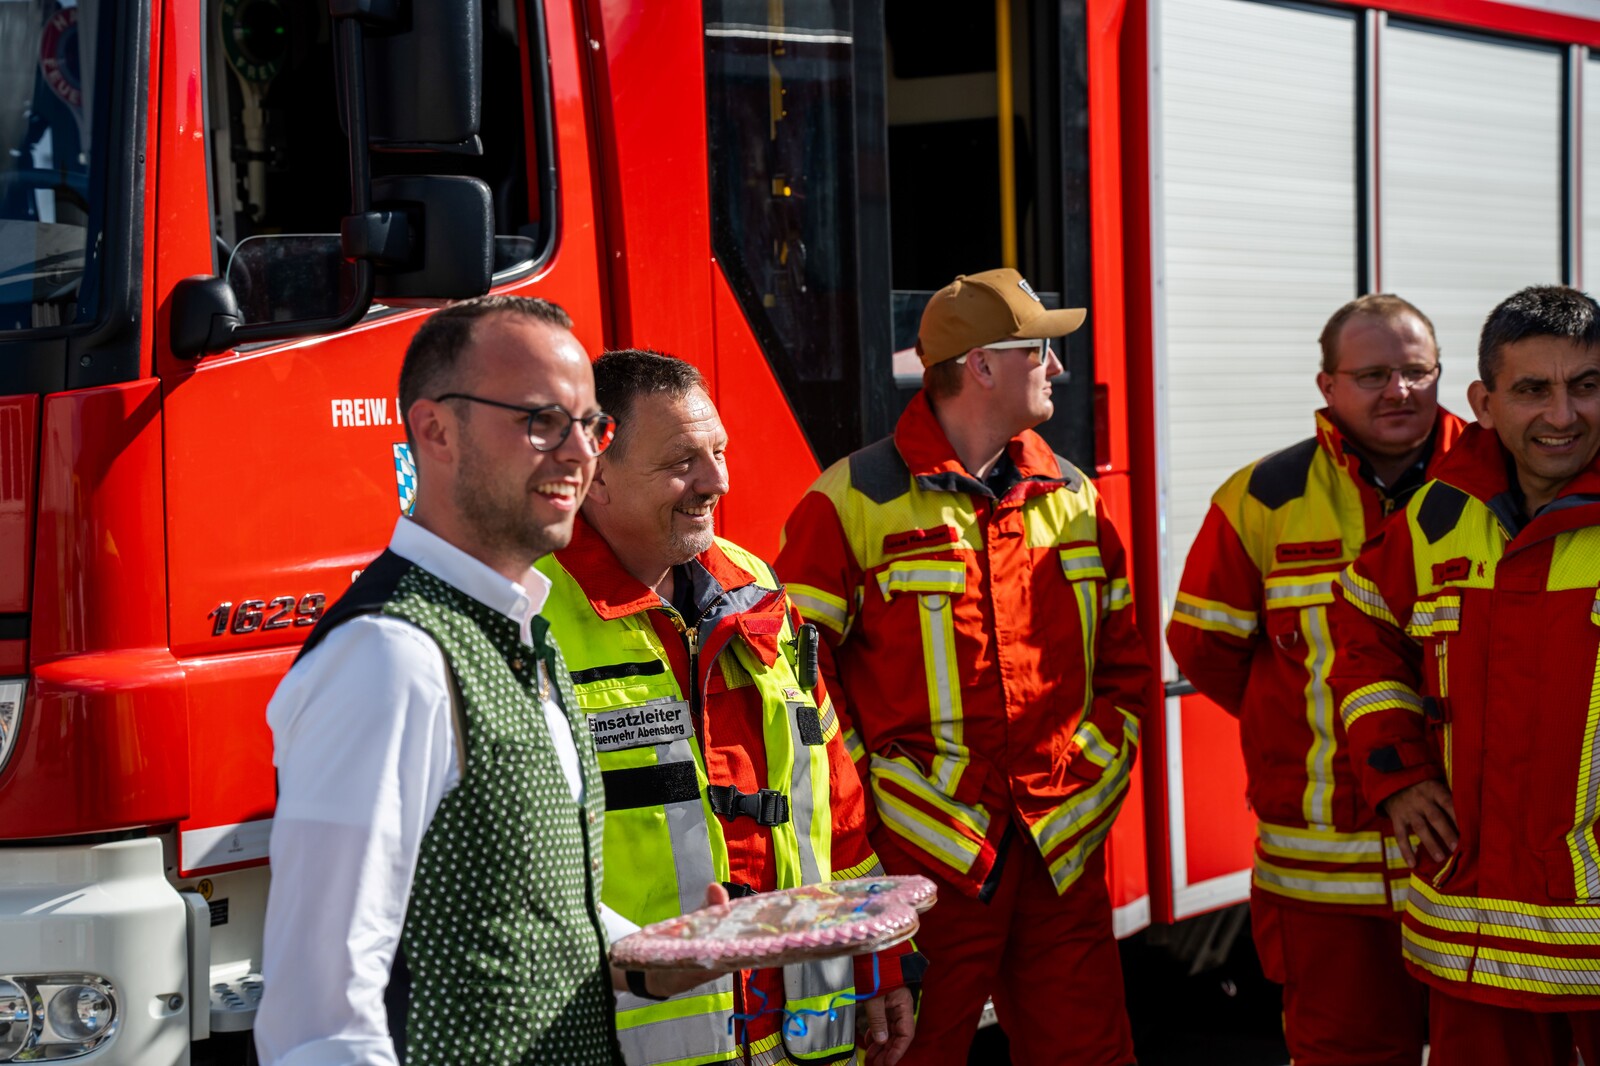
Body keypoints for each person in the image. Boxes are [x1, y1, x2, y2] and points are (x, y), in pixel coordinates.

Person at [257, 297, 714, 1066]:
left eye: (591, 425)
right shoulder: (387, 655)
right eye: (542, 421)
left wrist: (645, 957)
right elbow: (321, 1012)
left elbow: (519, 909)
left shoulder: (524, 628)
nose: (579, 453)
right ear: (436, 431)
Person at [776, 269, 1153, 1065]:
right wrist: (866, 811)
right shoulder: (850, 500)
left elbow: (1124, 661)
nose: (1058, 368)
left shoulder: (1074, 496)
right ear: (980, 365)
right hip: (924, 862)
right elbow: (798, 683)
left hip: (1060, 849)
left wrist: (1093, 773)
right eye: (1039, 350)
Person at [535, 349, 919, 1066]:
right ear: (595, 472)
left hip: (806, 1035)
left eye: (719, 452)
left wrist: (878, 953)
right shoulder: (534, 618)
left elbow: (832, 798)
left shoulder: (755, 586)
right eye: (683, 461)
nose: (717, 481)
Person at [1167, 294, 1464, 1064]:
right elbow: (1205, 650)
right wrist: (1294, 722)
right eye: (1372, 375)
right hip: (1324, 873)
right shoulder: (1262, 499)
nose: (1399, 390)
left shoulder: (1498, 482)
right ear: (1327, 385)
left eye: (1416, 371)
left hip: (1472, 859)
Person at [1328, 285, 1600, 1065]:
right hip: (1471, 939)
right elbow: (1364, 636)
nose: (1561, 415)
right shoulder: (1435, 518)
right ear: (1483, 403)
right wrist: (1398, 774)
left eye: (1585, 386)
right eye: (1533, 390)